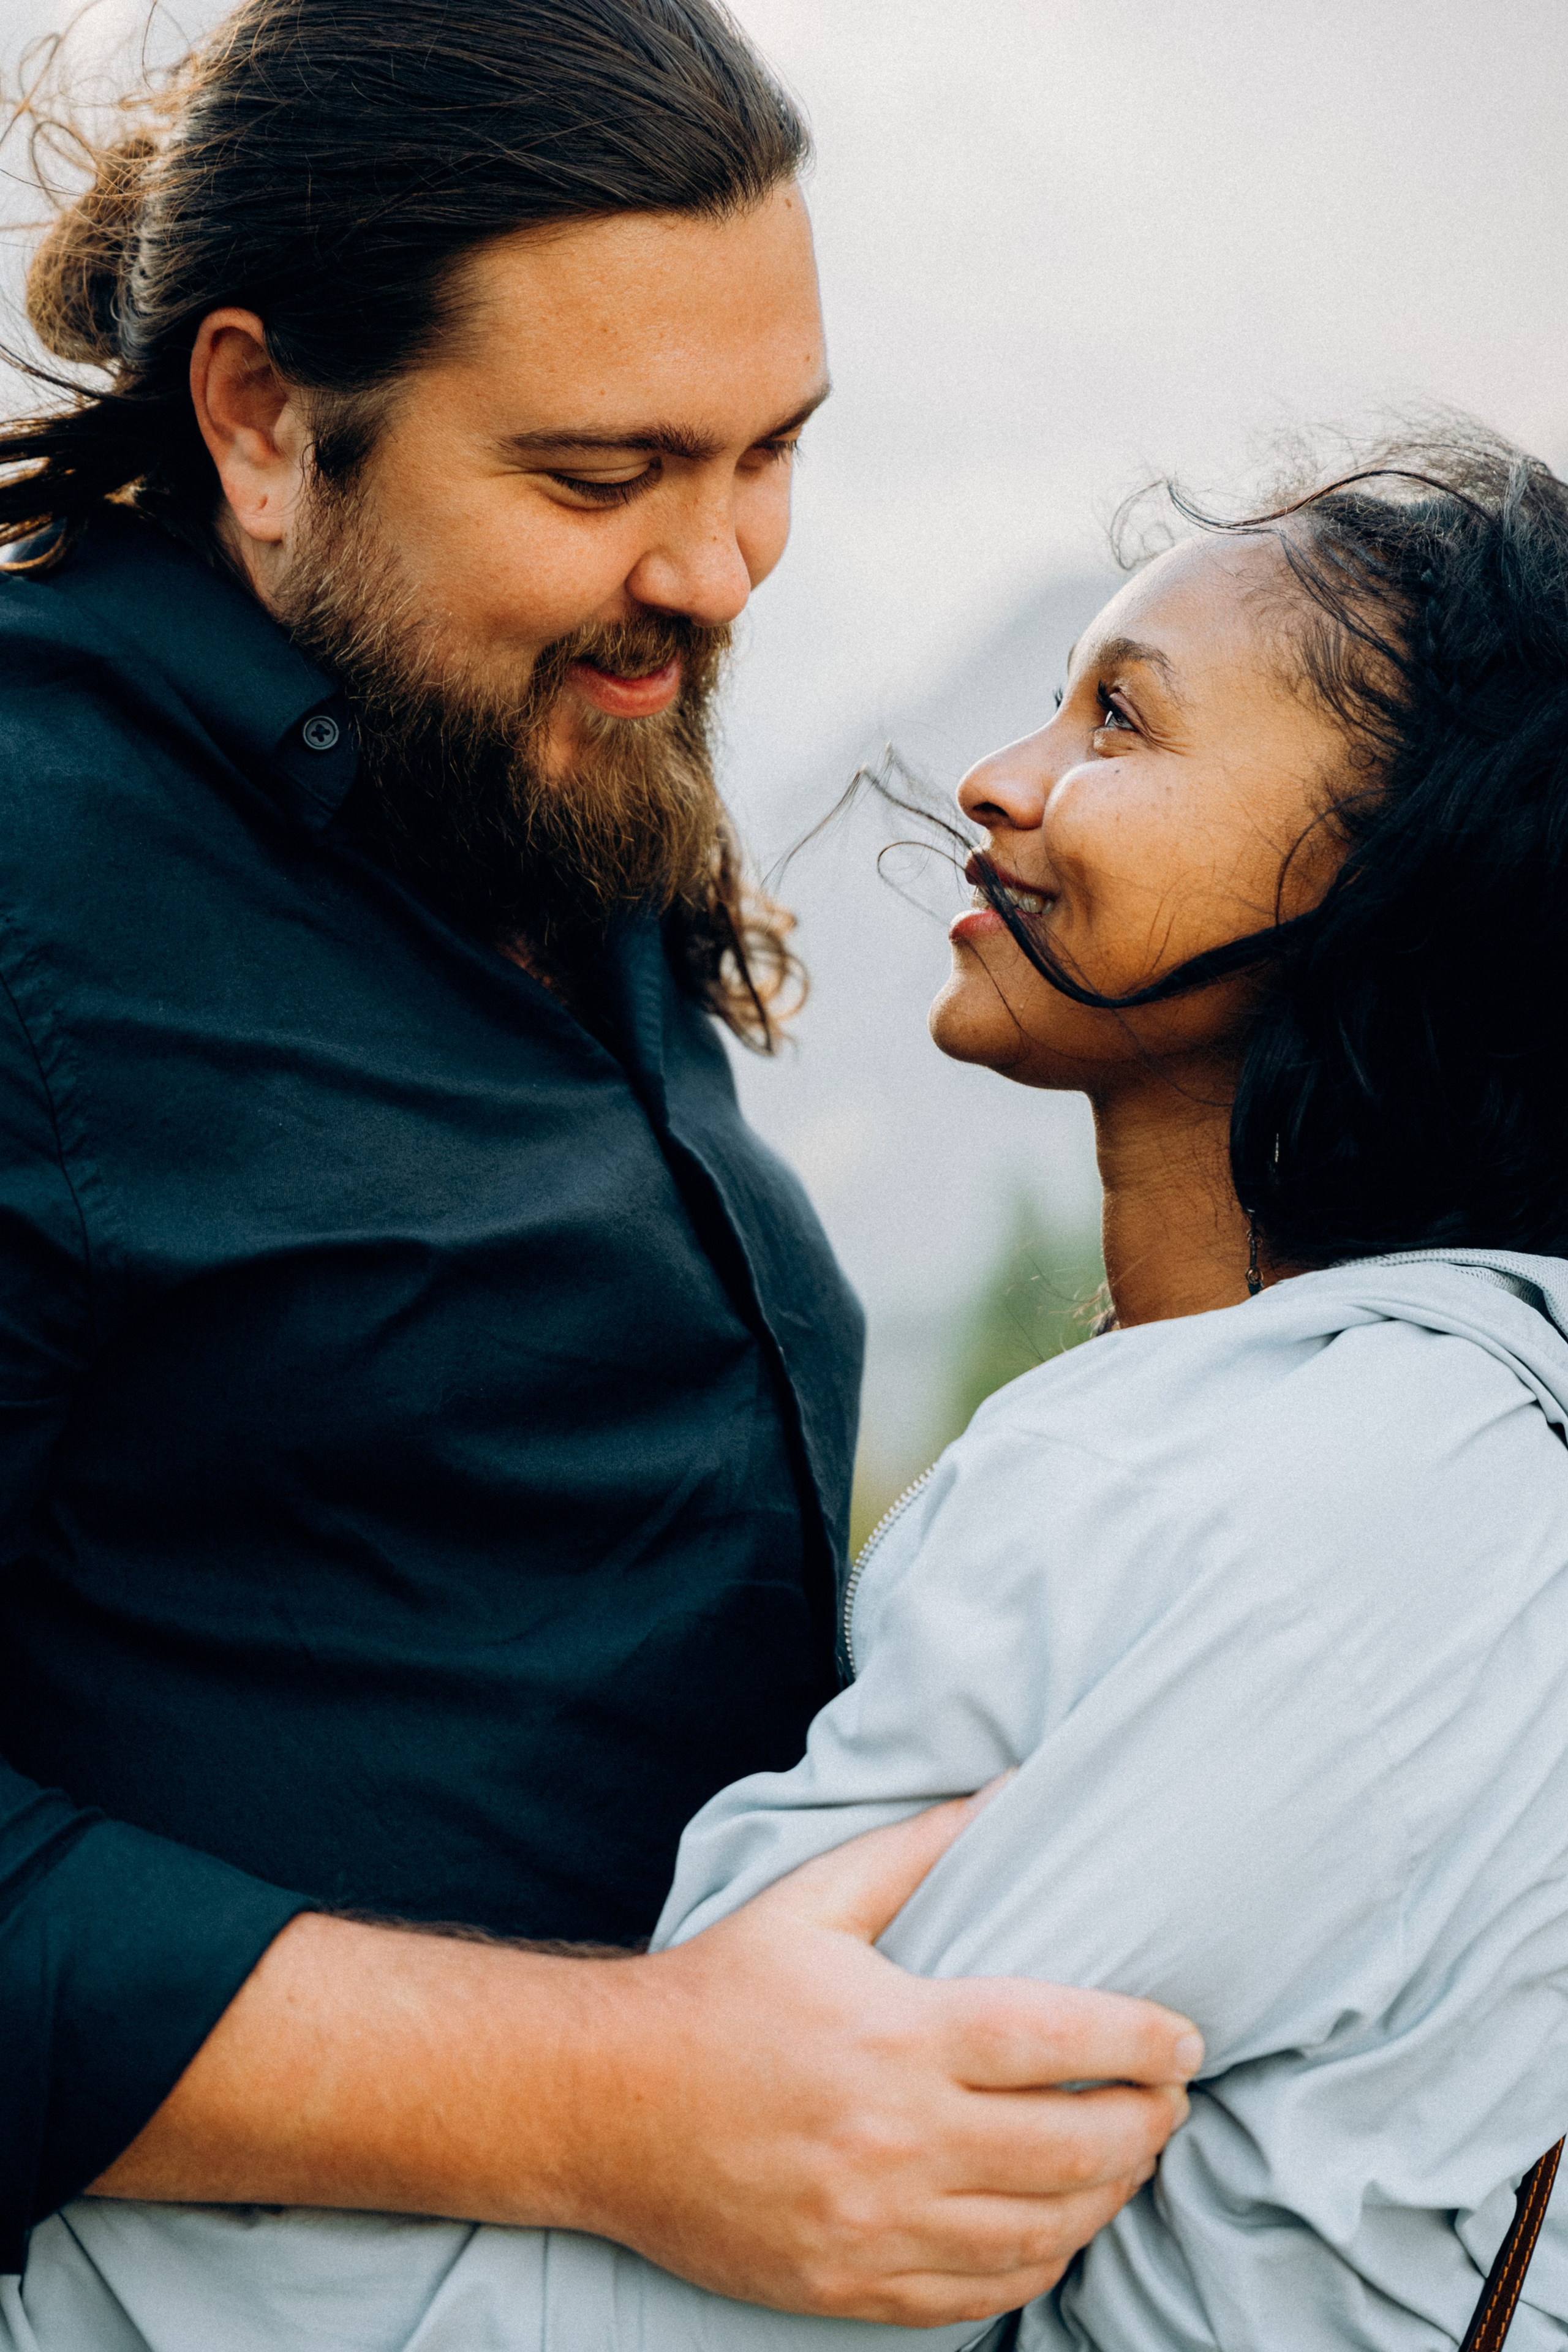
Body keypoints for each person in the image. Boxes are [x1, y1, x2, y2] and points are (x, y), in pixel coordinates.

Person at [30, 429, 1568, 2351]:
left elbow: (804, 2251)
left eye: (1124, 725)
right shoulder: (1380, 1436)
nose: (1002, 780)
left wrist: (93, 2249)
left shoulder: (1305, 1504)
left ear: (1397, 881)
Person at [0, 0, 1199, 2337]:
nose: (723, 567)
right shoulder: (39, 872)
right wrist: (622, 2105)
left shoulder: (520, 737)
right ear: (262, 416)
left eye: (774, 454)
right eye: (600, 474)